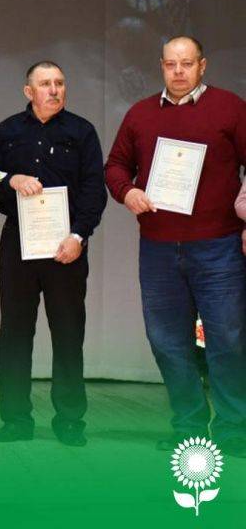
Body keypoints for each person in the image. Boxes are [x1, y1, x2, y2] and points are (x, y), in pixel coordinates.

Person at [105, 36, 245, 456]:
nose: (179, 72)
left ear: (202, 65)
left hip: (218, 247)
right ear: (162, 66)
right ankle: (189, 427)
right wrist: (128, 192)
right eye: (171, 64)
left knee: (229, 340)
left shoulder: (230, 108)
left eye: (187, 64)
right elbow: (115, 166)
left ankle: (235, 429)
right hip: (159, 248)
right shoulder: (140, 114)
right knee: (167, 341)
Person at [0, 61, 106, 447]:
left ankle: (70, 420)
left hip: (66, 246)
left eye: (59, 83)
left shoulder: (82, 131)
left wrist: (79, 235)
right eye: (45, 84)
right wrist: (9, 179)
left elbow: (93, 190)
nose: (54, 90)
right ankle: (16, 420)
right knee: (16, 334)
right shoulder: (6, 131)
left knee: (69, 334)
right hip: (19, 243)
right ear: (28, 91)